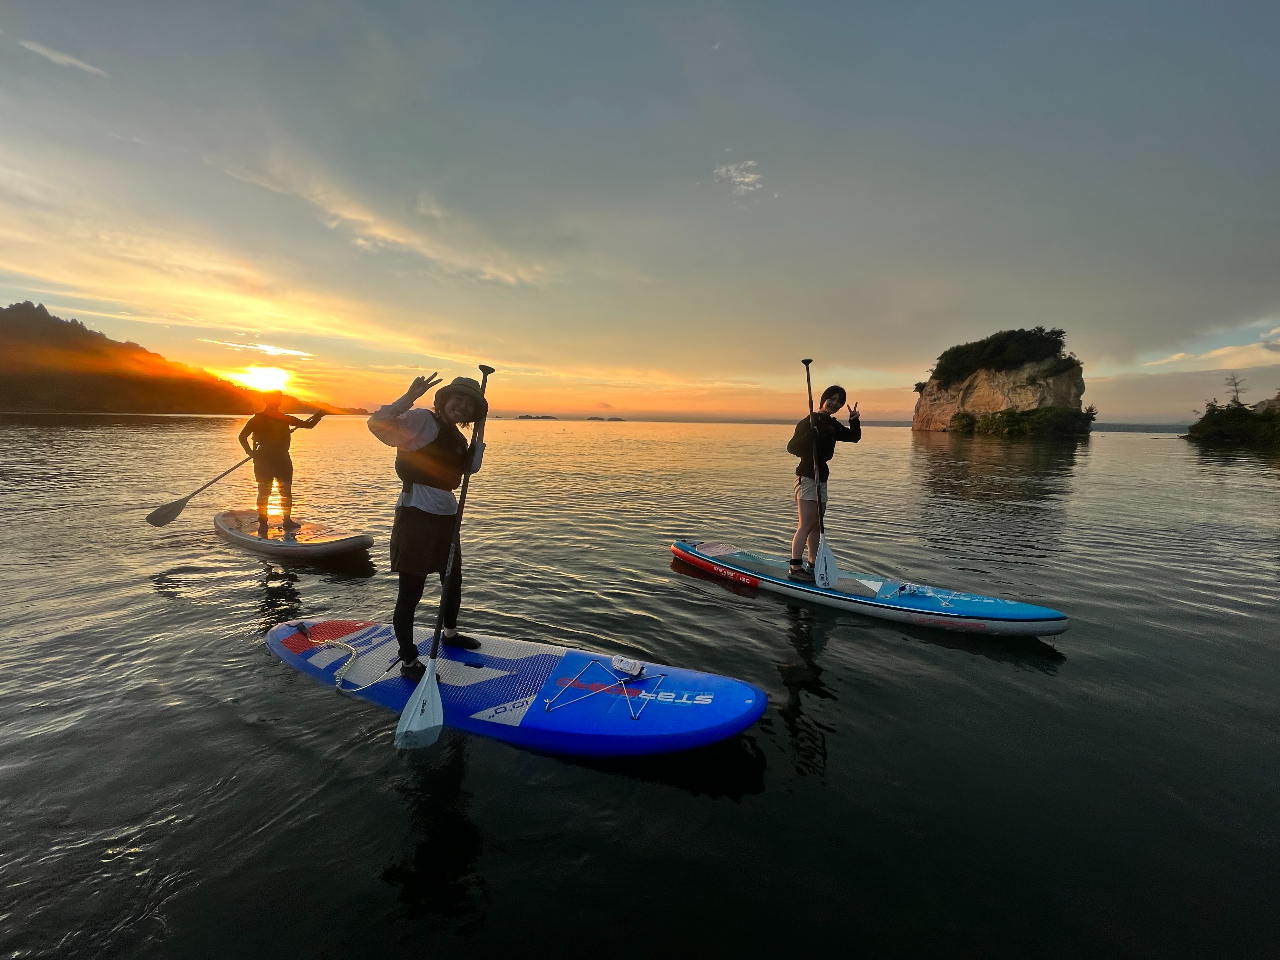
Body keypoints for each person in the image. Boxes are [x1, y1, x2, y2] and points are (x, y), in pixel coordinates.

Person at [368, 373, 488, 682]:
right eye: (457, 399)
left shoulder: (458, 436)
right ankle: (409, 661)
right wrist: (409, 396)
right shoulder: (422, 420)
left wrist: (477, 446)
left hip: (446, 516)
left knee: (452, 581)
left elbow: (468, 469)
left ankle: (449, 634)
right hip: (417, 515)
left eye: (470, 404)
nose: (462, 406)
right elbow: (378, 424)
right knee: (411, 592)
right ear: (445, 401)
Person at [786, 385, 860, 581]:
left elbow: (853, 438)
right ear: (823, 399)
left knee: (817, 524)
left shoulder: (831, 424)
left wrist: (854, 421)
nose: (835, 403)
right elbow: (792, 447)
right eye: (832, 399)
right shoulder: (809, 421)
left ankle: (812, 564)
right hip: (807, 474)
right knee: (806, 524)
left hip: (822, 475)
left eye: (839, 401)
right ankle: (795, 568)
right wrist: (810, 434)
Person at [237, 391, 325, 531]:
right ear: (277, 402)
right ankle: (274, 522)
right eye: (277, 399)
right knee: (277, 491)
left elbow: (242, 437)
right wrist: (320, 414)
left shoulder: (275, 418)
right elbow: (309, 425)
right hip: (273, 459)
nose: (277, 401)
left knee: (269, 491)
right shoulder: (279, 418)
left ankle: (270, 522)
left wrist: (251, 453)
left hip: (269, 458)